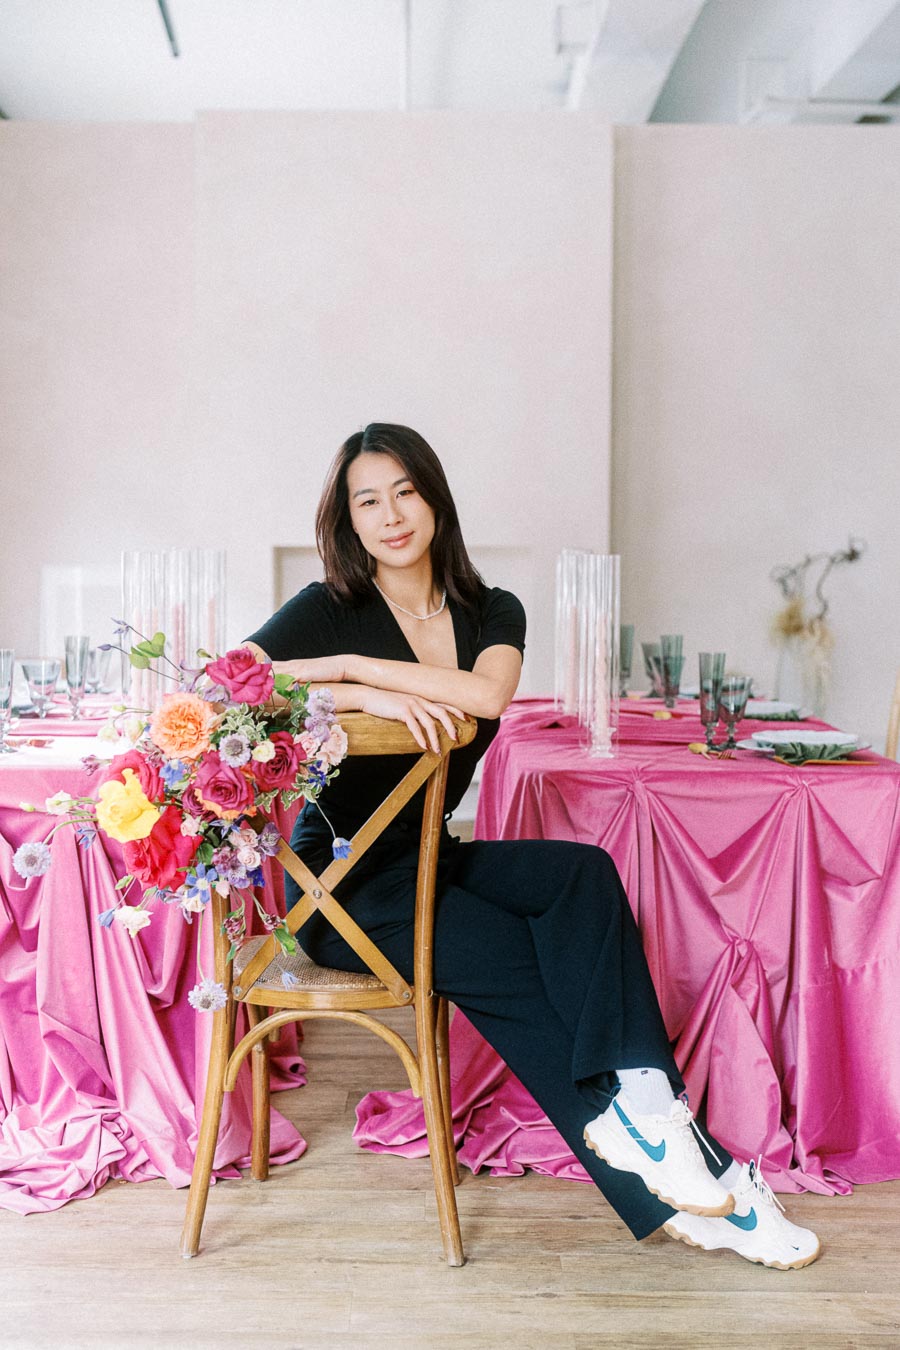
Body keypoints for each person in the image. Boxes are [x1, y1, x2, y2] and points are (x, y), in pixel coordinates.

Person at [245, 422, 820, 1270]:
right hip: (342, 889)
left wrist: (363, 674)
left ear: (435, 499)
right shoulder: (329, 608)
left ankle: (653, 1118)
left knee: (582, 877)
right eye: (368, 501)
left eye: (405, 491)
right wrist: (353, 681)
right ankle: (708, 1186)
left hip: (427, 856)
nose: (391, 515)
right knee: (521, 962)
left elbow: (485, 697)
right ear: (348, 520)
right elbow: (225, 679)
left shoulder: (491, 609)